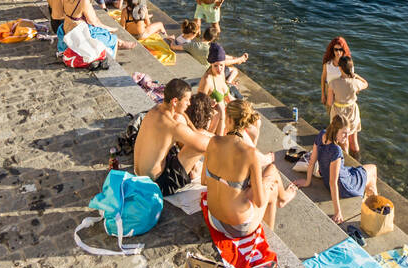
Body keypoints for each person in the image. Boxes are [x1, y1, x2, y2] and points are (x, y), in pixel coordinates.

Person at [202, 100, 296, 235]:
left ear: (228, 119)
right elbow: (259, 201)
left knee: (266, 178)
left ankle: (283, 198)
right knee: (272, 179)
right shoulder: (250, 154)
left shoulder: (213, 142)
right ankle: (270, 233)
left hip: (214, 219)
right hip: (236, 228)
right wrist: (265, 183)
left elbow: (204, 180)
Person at [135, 78, 211, 194]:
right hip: (158, 184)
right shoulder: (173, 127)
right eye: (187, 100)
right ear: (175, 101)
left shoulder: (155, 109)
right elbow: (206, 145)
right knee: (198, 145)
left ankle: (192, 164)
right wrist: (204, 133)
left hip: (139, 173)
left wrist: (191, 126)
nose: (189, 104)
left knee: (180, 118)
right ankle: (194, 169)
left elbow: (180, 115)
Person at [298, 115, 378, 225]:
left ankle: (370, 198)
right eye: (344, 133)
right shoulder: (336, 150)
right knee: (373, 169)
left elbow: (312, 161)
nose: (347, 136)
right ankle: (375, 206)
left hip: (331, 179)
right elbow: (333, 183)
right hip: (345, 187)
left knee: (361, 172)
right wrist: (338, 212)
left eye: (348, 132)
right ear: (335, 130)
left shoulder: (321, 135)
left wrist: (307, 182)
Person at [326, 55, 368, 157]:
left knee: (344, 142)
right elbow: (366, 84)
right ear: (351, 68)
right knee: (354, 140)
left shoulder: (333, 83)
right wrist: (356, 75)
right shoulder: (355, 83)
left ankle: (345, 164)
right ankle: (357, 162)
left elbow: (329, 102)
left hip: (339, 114)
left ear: (340, 68)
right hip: (352, 112)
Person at [320, 36, 351, 111]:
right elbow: (323, 78)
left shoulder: (347, 62)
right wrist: (323, 94)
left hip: (342, 92)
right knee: (330, 113)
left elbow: (351, 79)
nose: (338, 52)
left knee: (342, 116)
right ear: (332, 50)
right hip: (329, 89)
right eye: (336, 49)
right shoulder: (328, 63)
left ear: (344, 50)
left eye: (341, 49)